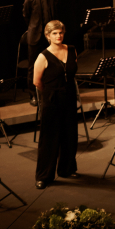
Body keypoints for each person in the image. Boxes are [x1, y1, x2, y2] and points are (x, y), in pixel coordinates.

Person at [32, 20, 77, 189]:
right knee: (49, 139)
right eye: (55, 33)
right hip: (52, 100)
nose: (59, 36)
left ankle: (67, 169)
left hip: (69, 97)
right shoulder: (43, 56)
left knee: (69, 135)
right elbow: (37, 82)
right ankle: (44, 176)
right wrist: (51, 92)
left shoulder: (71, 49)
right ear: (48, 36)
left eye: (61, 33)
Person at [22, 0, 59, 106]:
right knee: (33, 66)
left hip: (51, 37)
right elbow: (26, 16)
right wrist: (34, 28)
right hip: (35, 36)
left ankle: (51, 91)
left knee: (52, 65)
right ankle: (33, 95)